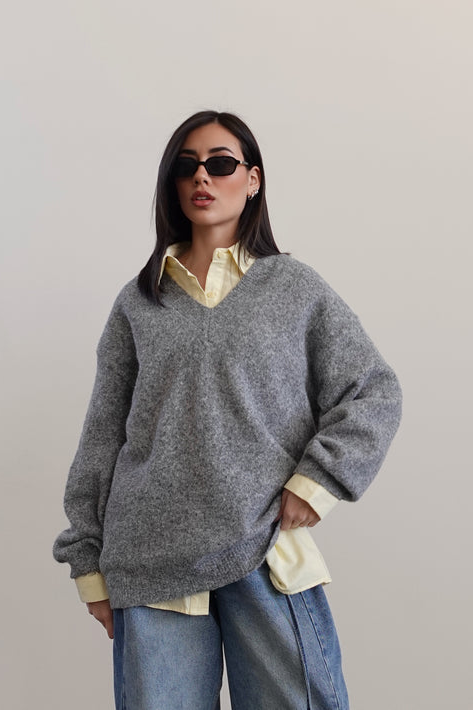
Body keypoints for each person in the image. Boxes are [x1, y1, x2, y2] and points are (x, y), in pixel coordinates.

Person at [53, 110, 402, 710]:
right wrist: (87, 560)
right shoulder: (139, 302)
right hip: (150, 561)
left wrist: (318, 480)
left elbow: (373, 389)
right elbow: (103, 436)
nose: (202, 178)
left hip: (265, 548)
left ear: (253, 179)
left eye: (220, 164)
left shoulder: (294, 288)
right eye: (186, 166)